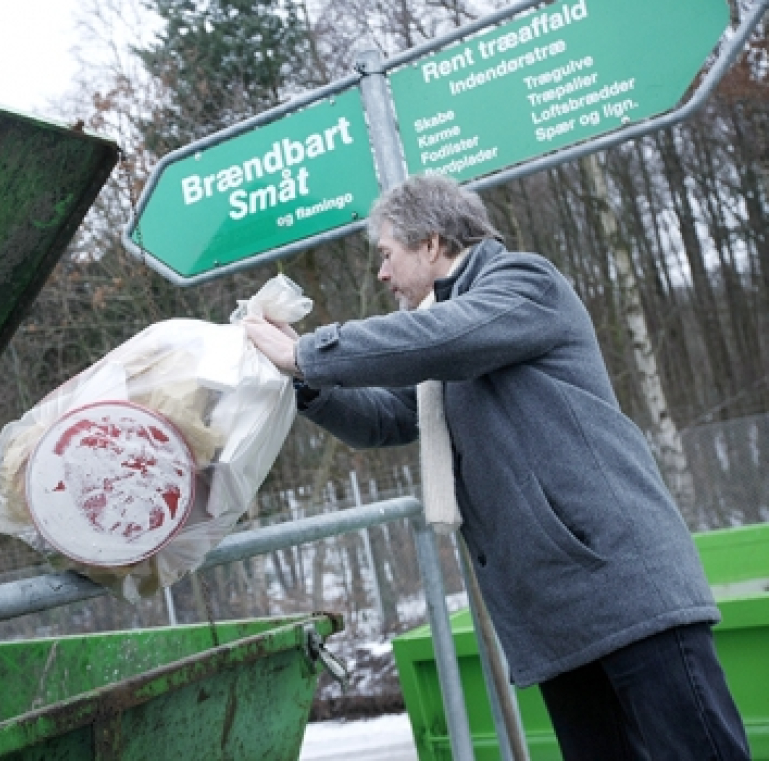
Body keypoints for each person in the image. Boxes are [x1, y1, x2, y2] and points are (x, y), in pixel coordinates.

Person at [243, 173, 750, 760]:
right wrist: (302, 379)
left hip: (625, 588)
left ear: (430, 243)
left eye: (387, 255)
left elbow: (444, 338)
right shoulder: (446, 340)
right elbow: (386, 418)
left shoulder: (523, 283)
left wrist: (309, 350)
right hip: (556, 617)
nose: (381, 274)